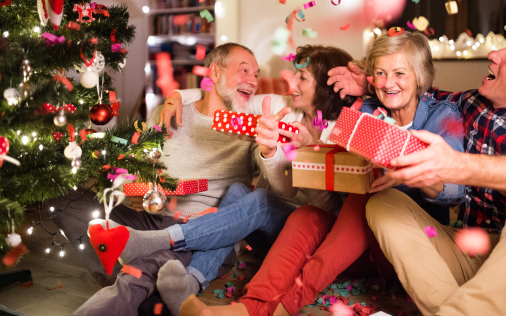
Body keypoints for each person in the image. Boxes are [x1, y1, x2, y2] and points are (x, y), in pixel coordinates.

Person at [179, 32, 466, 316]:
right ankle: (249, 308)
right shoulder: (366, 110)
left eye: (399, 73)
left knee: (372, 197)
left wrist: (407, 170)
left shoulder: (442, 116)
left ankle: (282, 307)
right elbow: (338, 169)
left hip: (408, 250)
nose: (388, 83)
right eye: (380, 73)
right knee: (306, 216)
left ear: (420, 76)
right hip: (358, 249)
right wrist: (309, 148)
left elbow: (454, 193)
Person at [331, 23, 506, 315]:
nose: (494, 54)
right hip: (467, 257)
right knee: (383, 202)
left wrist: (457, 165)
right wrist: (371, 83)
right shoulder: (472, 103)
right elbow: (420, 91)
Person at [111, 44, 358, 315]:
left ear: (324, 87)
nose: (292, 81)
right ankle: (190, 281)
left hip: (303, 228)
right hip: (262, 229)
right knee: (239, 190)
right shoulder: (280, 106)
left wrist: (312, 156)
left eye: (302, 78)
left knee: (261, 199)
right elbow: (219, 93)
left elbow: (329, 210)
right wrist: (177, 95)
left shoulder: (342, 130)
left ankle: (162, 241)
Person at [51, 43, 292, 316]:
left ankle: (138, 271)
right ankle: (128, 267)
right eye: (244, 70)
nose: (252, 80)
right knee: (63, 196)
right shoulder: (169, 111)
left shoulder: (251, 126)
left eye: (256, 74)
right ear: (215, 72)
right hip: (148, 215)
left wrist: (271, 150)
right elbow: (137, 165)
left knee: (139, 275)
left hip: (200, 228)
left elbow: (283, 187)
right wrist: (129, 189)